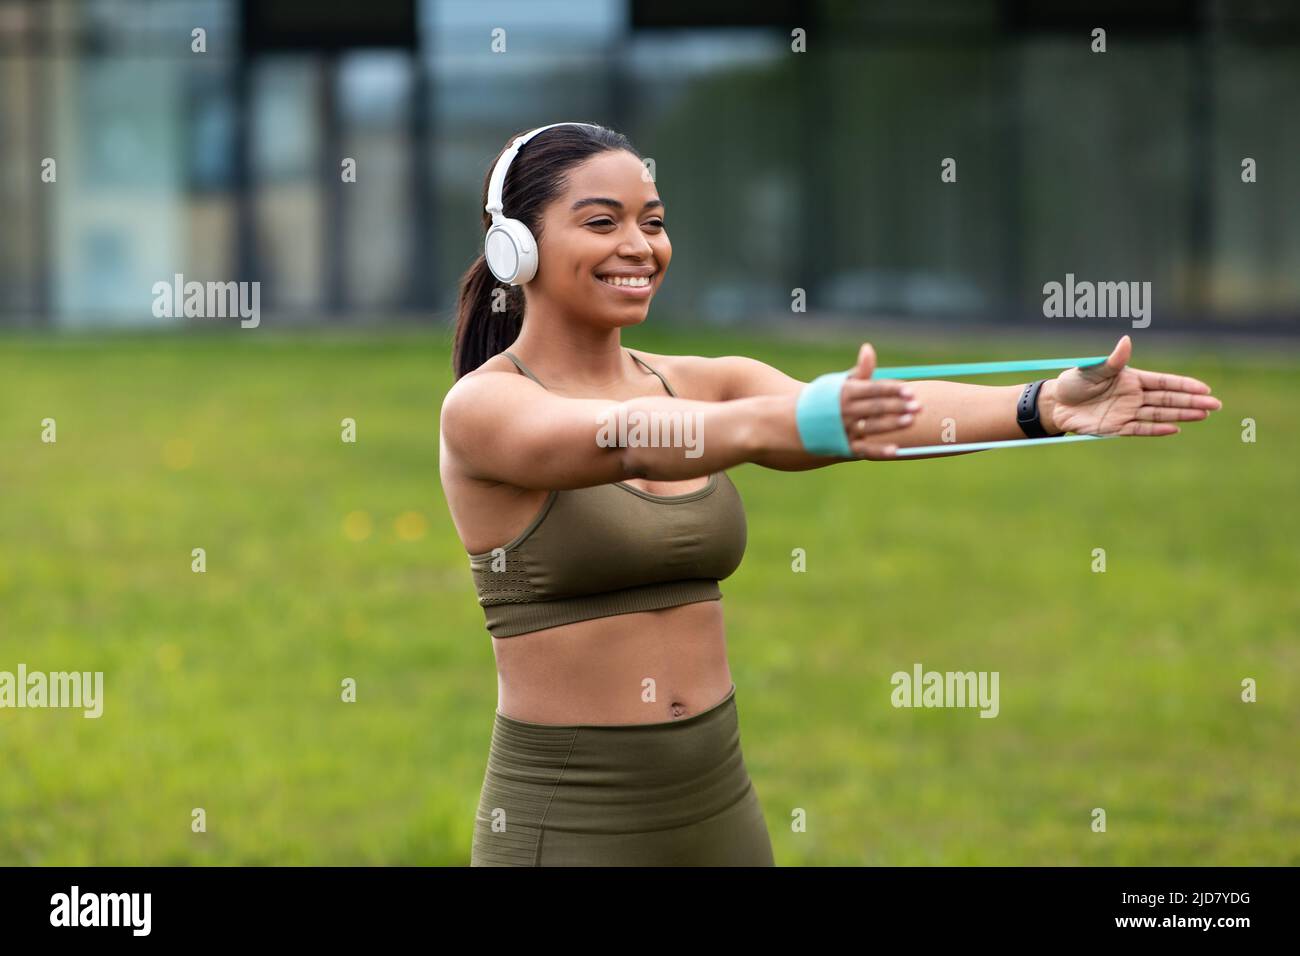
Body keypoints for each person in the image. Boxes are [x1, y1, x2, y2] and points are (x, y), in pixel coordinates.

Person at [439, 122, 1222, 866]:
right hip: (568, 819)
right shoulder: (486, 407)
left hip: (718, 804)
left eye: (654, 220)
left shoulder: (703, 381)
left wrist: (1041, 405)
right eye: (602, 222)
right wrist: (798, 417)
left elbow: (884, 415)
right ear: (516, 247)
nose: (639, 246)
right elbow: (627, 436)